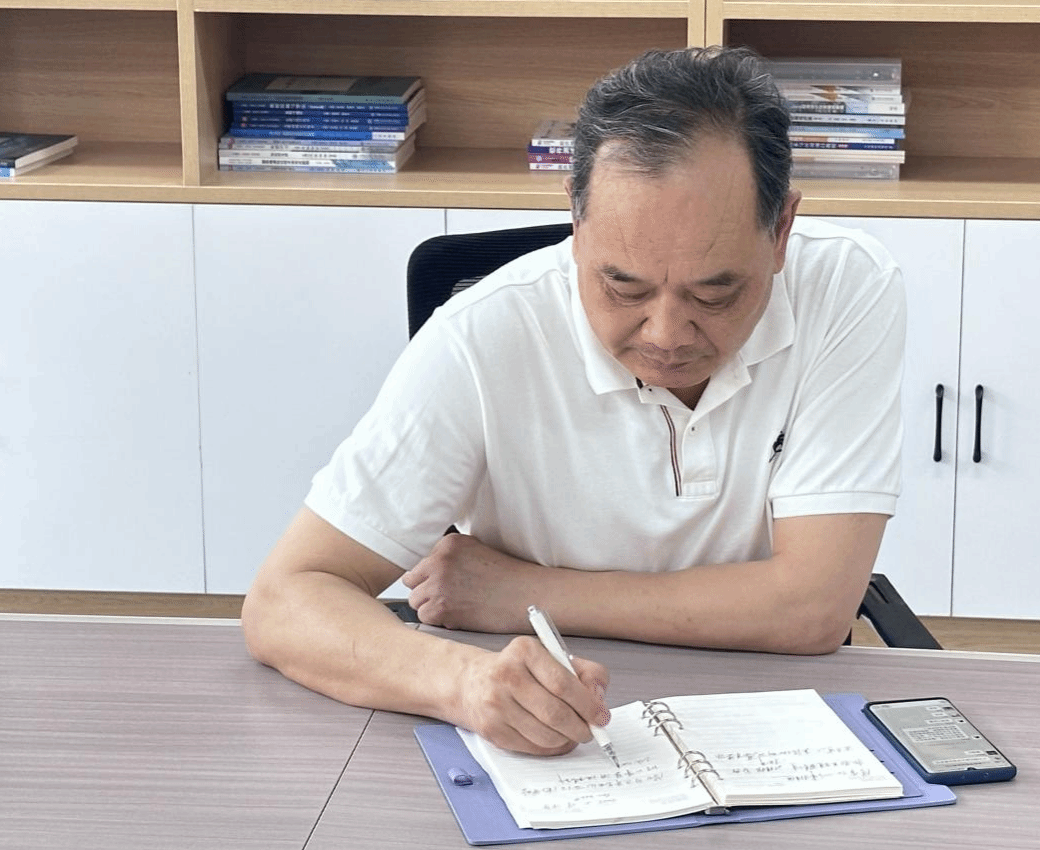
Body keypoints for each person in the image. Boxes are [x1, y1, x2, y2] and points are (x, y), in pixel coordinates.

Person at [241, 46, 905, 759]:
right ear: (576, 223)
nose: (666, 335)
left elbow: (812, 609)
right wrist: (463, 681)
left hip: (773, 713)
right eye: (623, 287)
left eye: (715, 292)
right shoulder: (481, 335)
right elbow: (285, 599)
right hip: (548, 720)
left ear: (780, 233)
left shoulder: (845, 288)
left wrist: (524, 593)